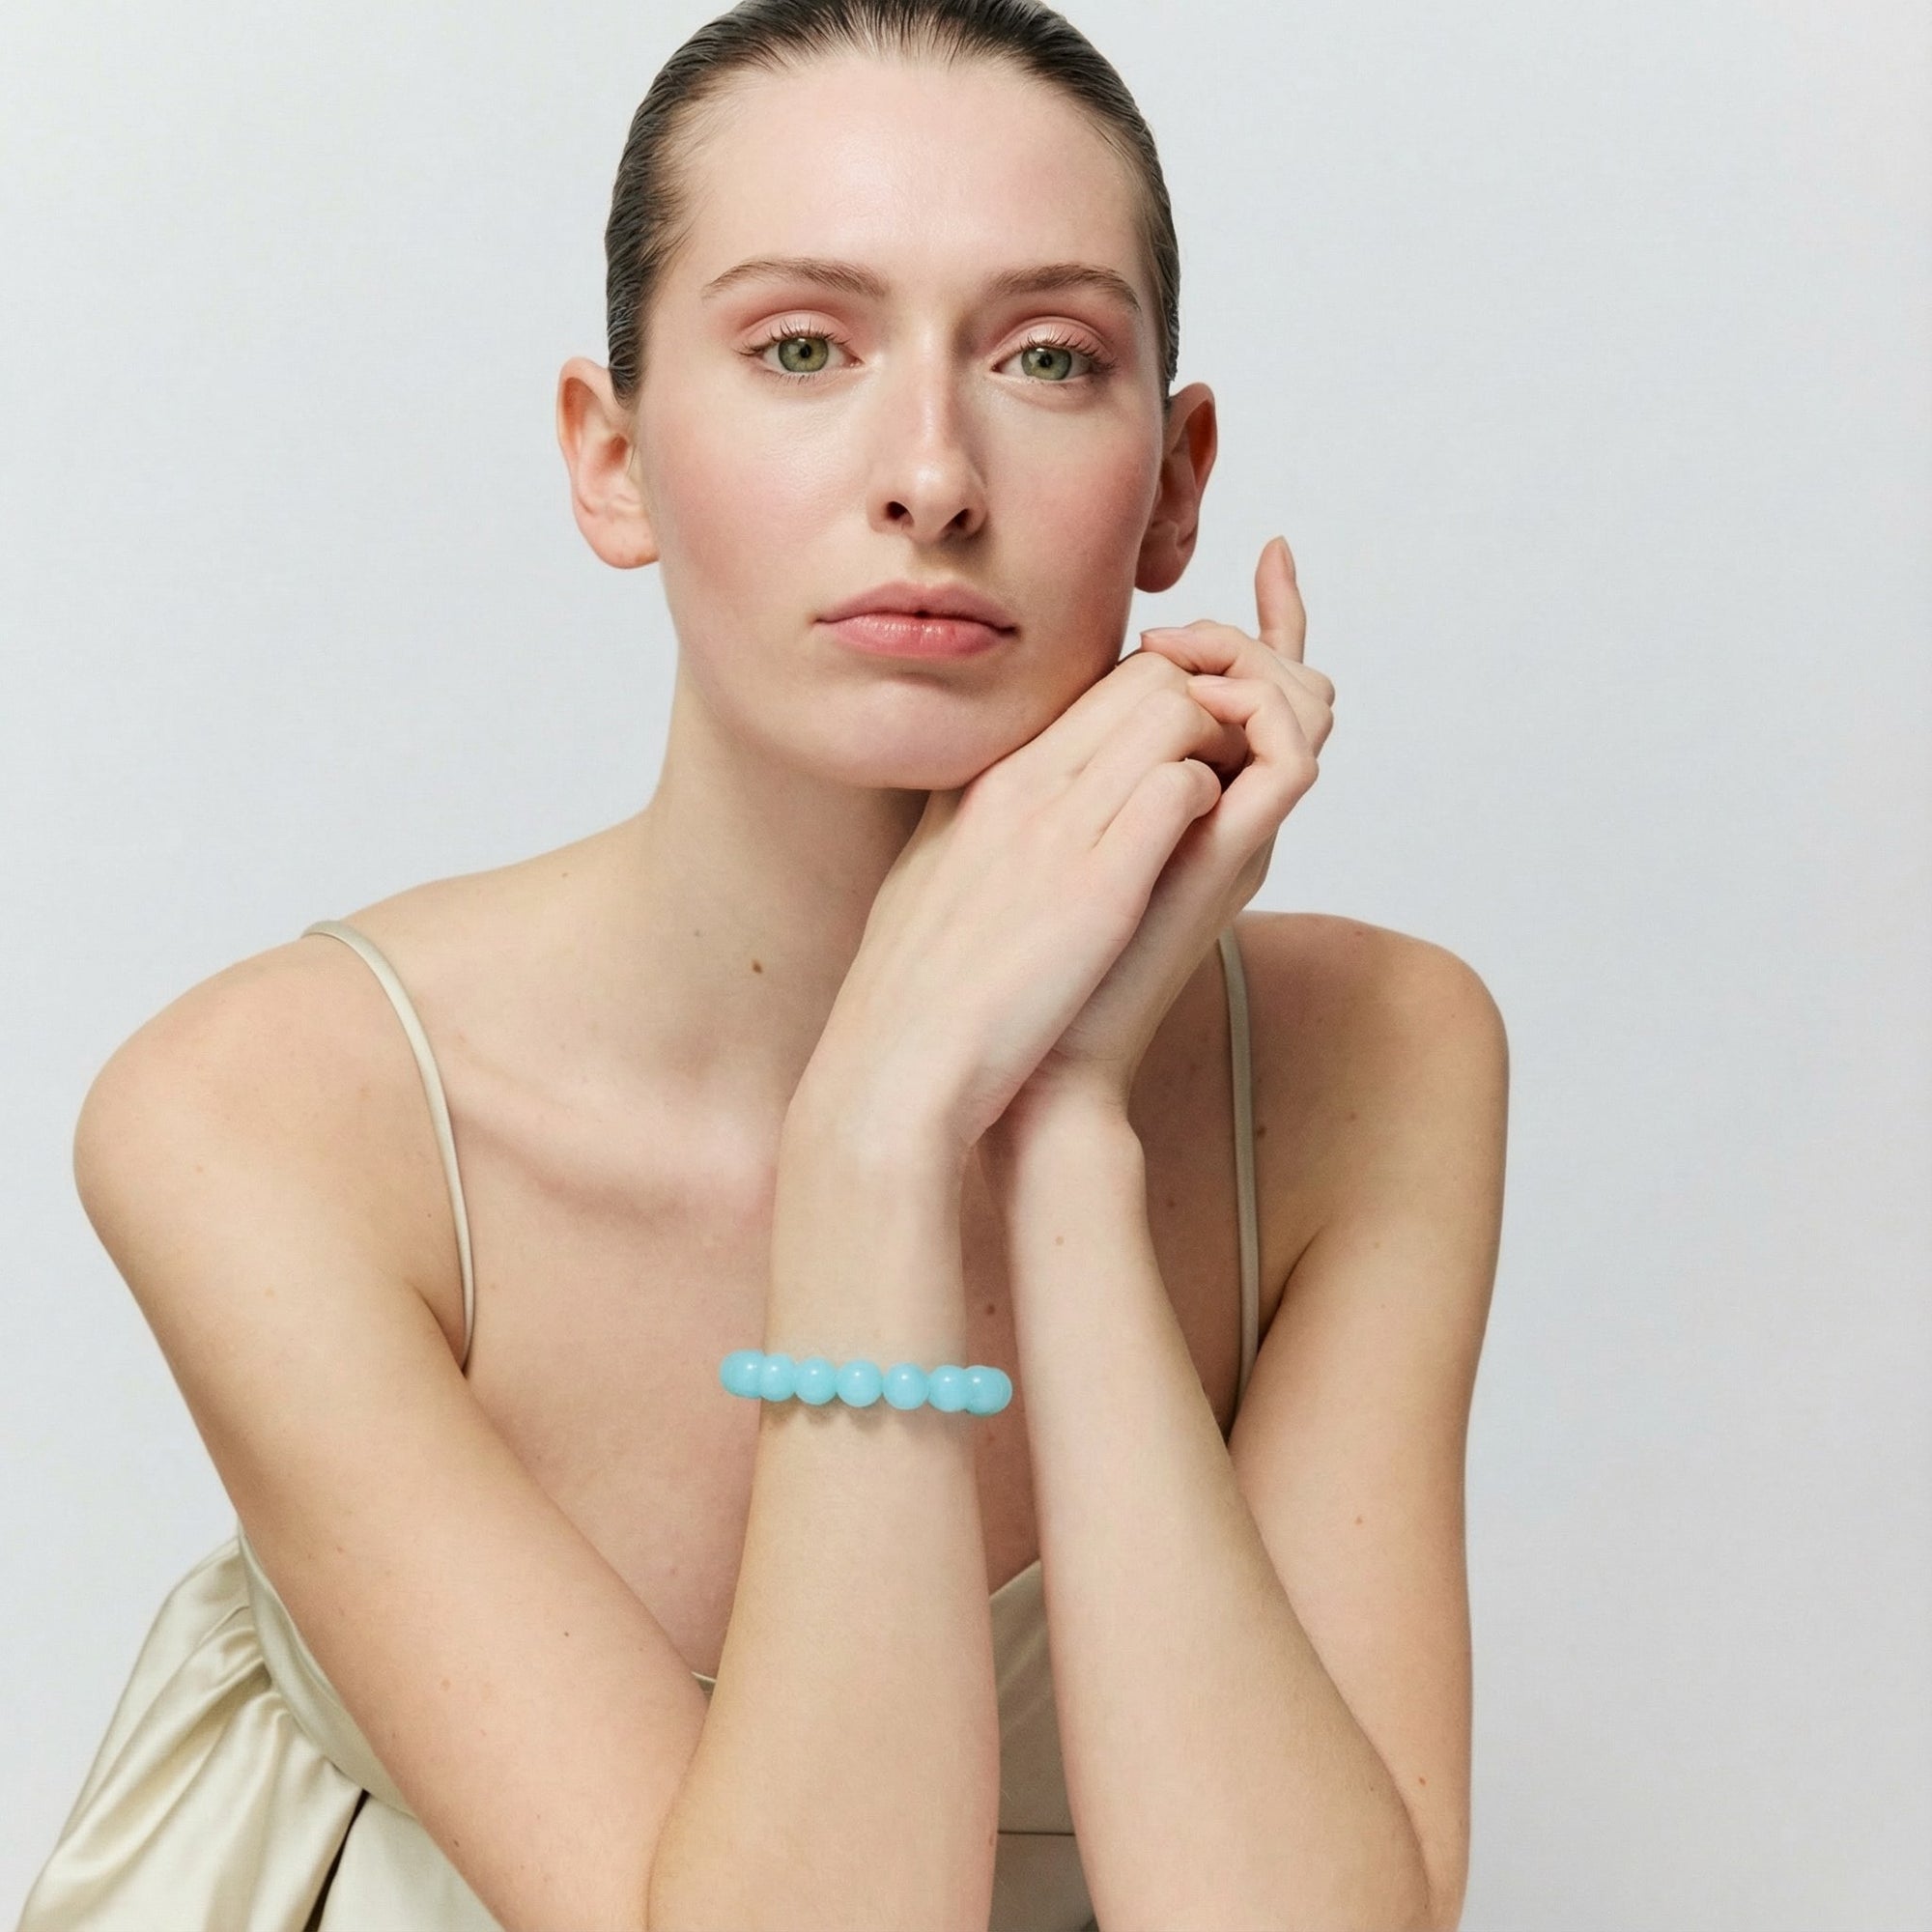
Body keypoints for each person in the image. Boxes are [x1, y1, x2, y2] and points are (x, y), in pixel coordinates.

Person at [18, 2, 1507, 1927]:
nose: (931, 475)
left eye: (1047, 357)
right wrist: (873, 1129)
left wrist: (1059, 1122)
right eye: (803, 347)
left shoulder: (1376, 1059)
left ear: (1173, 480)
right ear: (612, 458)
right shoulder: (260, 1117)